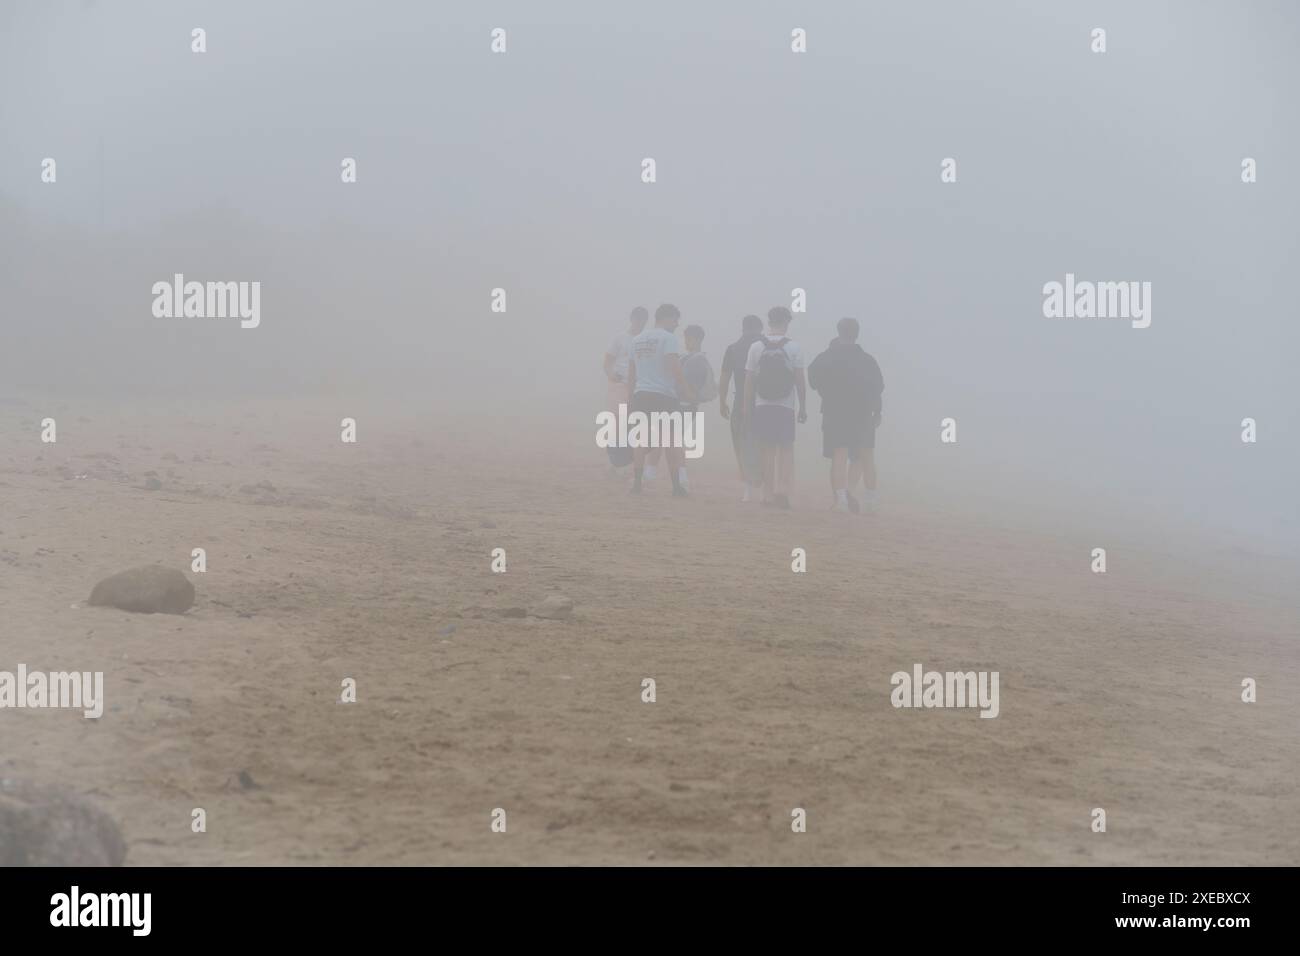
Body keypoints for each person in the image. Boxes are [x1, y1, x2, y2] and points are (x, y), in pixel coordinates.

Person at [807, 317, 884, 513]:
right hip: (863, 414)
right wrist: (878, 411)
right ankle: (871, 500)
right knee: (866, 455)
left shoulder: (827, 356)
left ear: (838, 332)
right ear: (857, 334)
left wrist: (827, 391)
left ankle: (841, 500)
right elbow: (878, 387)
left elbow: (813, 380)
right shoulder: (868, 360)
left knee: (839, 454)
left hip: (835, 412)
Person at [743, 307, 806, 509]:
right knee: (786, 449)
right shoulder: (794, 347)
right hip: (785, 406)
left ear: (769, 322)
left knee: (766, 450)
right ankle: (782, 490)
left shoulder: (755, 347)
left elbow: (749, 381)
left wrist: (747, 407)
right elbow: (799, 381)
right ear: (786, 323)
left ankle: (767, 494)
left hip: (762, 405)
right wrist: (802, 406)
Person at [627, 303, 693, 497]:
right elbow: (675, 367)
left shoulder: (637, 340)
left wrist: (630, 398)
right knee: (671, 440)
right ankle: (676, 486)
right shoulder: (669, 338)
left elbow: (632, 373)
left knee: (641, 440)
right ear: (665, 317)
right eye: (675, 319)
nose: (677, 324)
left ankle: (637, 483)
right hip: (664, 395)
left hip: (641, 394)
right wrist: (687, 390)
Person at [718, 315, 764, 501]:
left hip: (739, 402)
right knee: (763, 444)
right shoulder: (766, 346)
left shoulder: (733, 349)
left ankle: (748, 488)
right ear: (760, 328)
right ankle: (764, 485)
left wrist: (722, 401)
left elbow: (724, 378)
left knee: (742, 444)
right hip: (764, 402)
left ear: (743, 328)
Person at [603, 308, 648, 476]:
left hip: (637, 386)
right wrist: (610, 373)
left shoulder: (644, 341)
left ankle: (623, 462)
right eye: (638, 319)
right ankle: (612, 460)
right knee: (616, 421)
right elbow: (607, 361)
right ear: (631, 319)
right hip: (619, 384)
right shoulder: (619, 338)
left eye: (643, 320)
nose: (640, 323)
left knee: (631, 424)